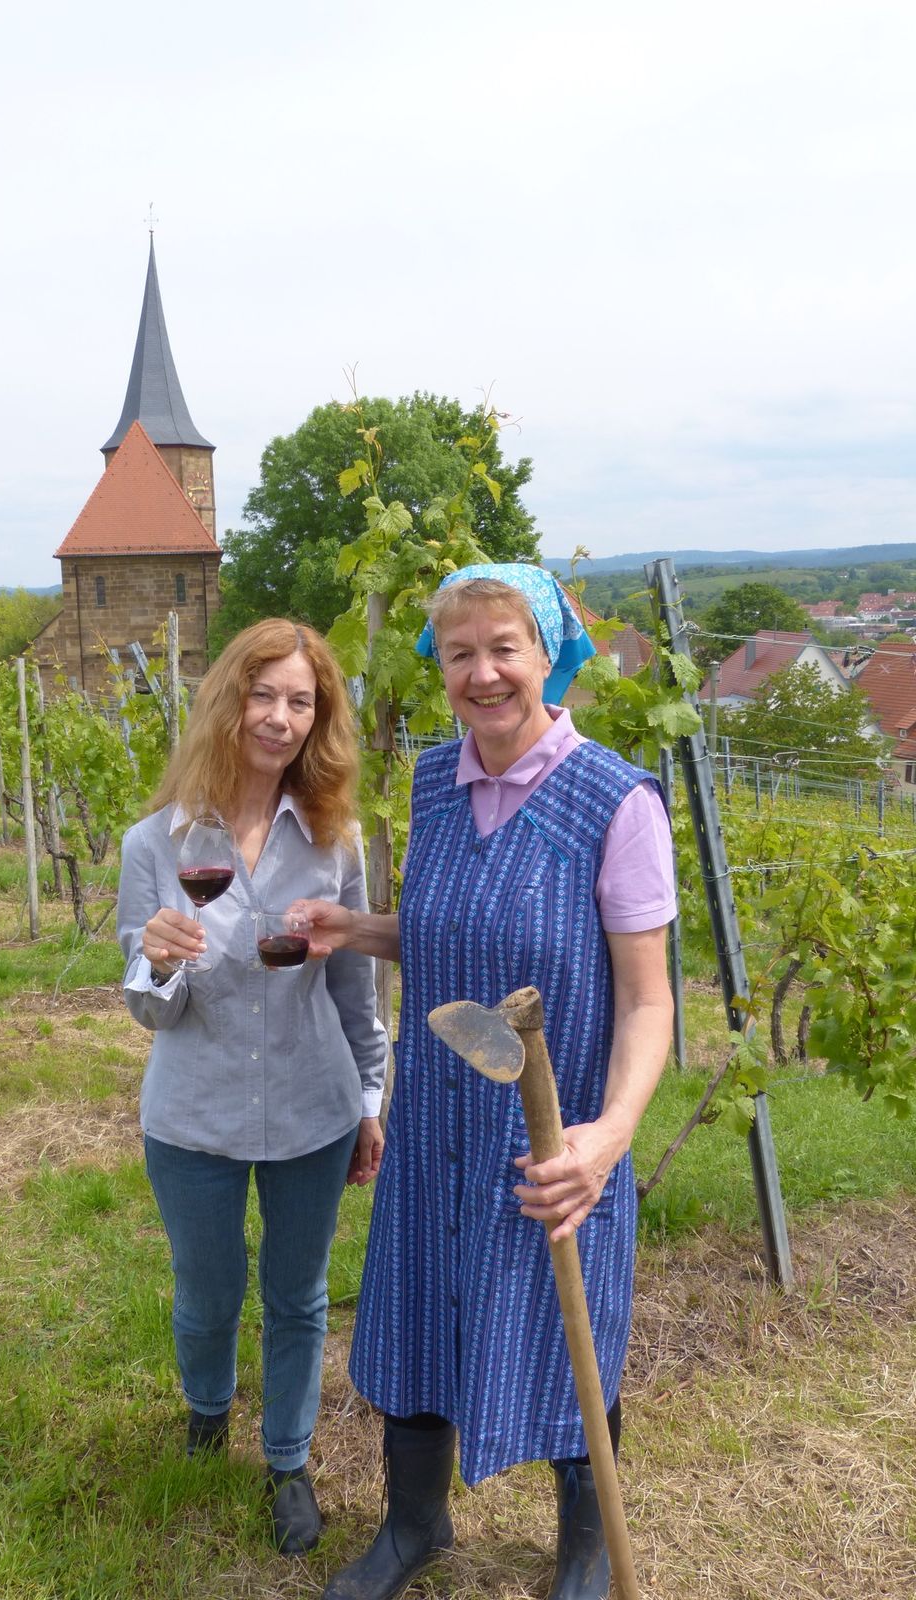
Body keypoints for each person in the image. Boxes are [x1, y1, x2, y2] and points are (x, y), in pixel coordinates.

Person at [293, 565, 676, 1600]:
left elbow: (649, 1002)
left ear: (551, 655)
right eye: (459, 652)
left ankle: (584, 1553)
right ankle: (415, 1526)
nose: (483, 672)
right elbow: (449, 938)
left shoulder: (617, 802)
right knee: (416, 1319)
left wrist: (607, 1137)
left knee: (567, 1339)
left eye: (503, 646)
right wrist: (356, 929)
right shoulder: (431, 781)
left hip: (554, 1142)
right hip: (434, 1127)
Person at [116, 617, 388, 1557]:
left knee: (299, 1293)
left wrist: (370, 1100)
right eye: (262, 695)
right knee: (208, 1285)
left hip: (314, 1106)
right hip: (193, 1113)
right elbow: (149, 1010)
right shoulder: (156, 843)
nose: (278, 717)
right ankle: (204, 1414)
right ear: (229, 702)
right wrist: (158, 961)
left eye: (300, 702)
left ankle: (288, 1460)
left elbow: (358, 986)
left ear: (320, 721)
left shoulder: (335, 838)